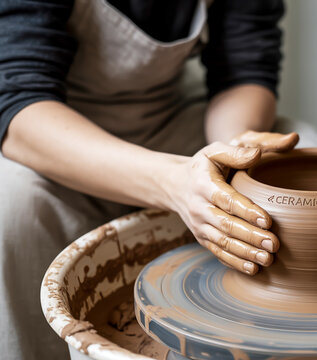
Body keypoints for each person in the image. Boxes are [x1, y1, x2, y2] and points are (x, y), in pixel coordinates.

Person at [0, 1, 300, 359]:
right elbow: (17, 97)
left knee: (298, 157)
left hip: (171, 111)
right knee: (12, 209)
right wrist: (173, 183)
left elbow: (243, 70)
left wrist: (234, 153)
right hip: (55, 125)